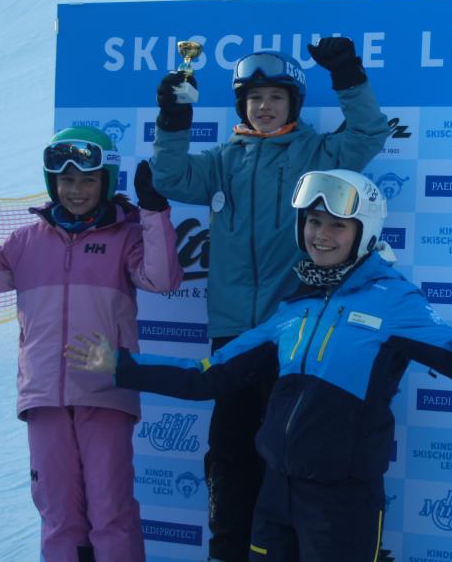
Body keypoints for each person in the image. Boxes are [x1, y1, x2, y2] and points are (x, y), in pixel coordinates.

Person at [66, 169, 452, 562]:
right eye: (314, 222)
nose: (322, 235)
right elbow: (209, 377)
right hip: (276, 492)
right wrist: (122, 366)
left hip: (342, 501)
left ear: (363, 232)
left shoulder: (394, 300)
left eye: (337, 225)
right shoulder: (294, 307)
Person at [151, 37, 390, 561]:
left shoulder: (317, 152)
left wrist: (348, 76)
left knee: (290, 454)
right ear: (241, 106)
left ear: (294, 104)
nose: (264, 106)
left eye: (276, 97)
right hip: (234, 334)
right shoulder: (222, 160)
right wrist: (173, 118)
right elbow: (169, 176)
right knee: (230, 452)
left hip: (295, 334)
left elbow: (370, 134)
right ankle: (227, 549)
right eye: (254, 98)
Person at [0, 126, 184, 562]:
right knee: (59, 516)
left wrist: (153, 210)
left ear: (106, 181)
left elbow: (162, 279)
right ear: (52, 182)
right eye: (66, 180)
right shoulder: (26, 242)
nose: (76, 190)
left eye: (88, 179)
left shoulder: (125, 236)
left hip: (104, 391)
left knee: (111, 513)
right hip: (44, 396)